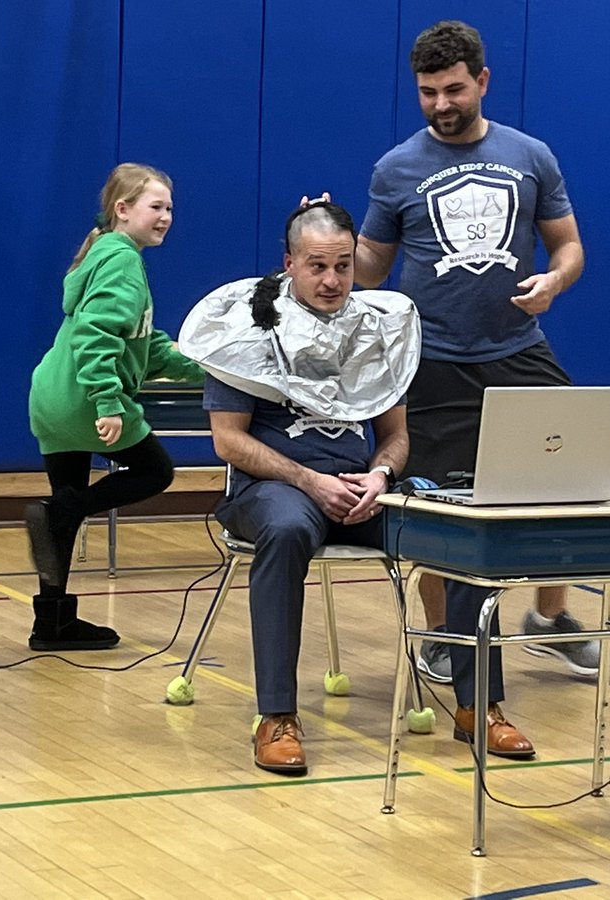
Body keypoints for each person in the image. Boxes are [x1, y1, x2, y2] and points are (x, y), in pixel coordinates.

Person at [352, 20, 610, 758]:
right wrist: (337, 240)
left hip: (517, 347)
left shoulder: (531, 157)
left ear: (483, 82)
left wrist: (555, 281)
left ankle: (550, 616)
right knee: (440, 501)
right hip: (430, 355)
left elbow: (569, 246)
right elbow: (370, 266)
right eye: (428, 92)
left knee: (574, 475)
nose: (440, 103)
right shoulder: (395, 168)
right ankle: (442, 637)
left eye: (453, 89)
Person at [177, 201, 417, 776]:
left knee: (455, 528)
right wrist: (310, 481)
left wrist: (380, 476)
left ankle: (477, 702)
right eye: (317, 266)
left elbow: (398, 437)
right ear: (289, 264)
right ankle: (276, 716)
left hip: (363, 489)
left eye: (342, 266)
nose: (332, 280)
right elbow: (229, 444)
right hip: (273, 490)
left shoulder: (379, 330)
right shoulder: (244, 328)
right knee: (287, 529)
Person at [25, 163, 203, 652]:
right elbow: (96, 336)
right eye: (156, 207)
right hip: (86, 399)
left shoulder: (106, 253)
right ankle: (61, 508)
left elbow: (147, 347)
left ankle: (52, 623)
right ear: (122, 211)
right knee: (155, 472)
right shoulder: (122, 260)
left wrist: (210, 368)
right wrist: (108, 403)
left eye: (170, 208)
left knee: (62, 518)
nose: (166, 216)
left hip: (54, 396)